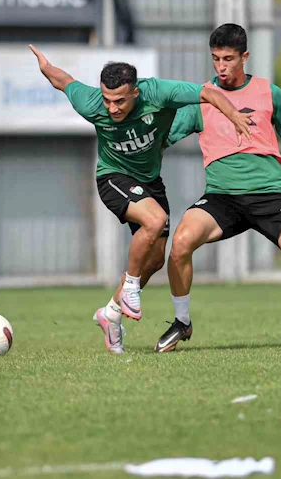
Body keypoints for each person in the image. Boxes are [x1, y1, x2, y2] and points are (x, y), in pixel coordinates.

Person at [29, 44, 254, 354]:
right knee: (156, 220)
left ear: (135, 92)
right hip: (113, 177)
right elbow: (63, 81)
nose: (112, 108)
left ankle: (110, 314)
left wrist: (234, 116)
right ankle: (131, 287)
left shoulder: (158, 93)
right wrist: (45, 65)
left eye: (120, 101)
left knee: (156, 260)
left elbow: (209, 94)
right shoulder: (91, 103)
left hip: (150, 183)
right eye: (107, 100)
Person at [154, 24, 281, 353]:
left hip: (270, 196)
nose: (221, 67)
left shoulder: (269, 93)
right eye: (215, 59)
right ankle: (182, 322)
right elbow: (163, 139)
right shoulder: (202, 99)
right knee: (180, 244)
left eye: (228, 59)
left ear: (245, 57)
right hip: (222, 198)